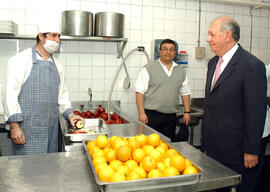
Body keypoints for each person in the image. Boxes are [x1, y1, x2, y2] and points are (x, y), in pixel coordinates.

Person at [202, 16, 267, 192]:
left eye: (211, 34)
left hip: (237, 151)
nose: (208, 39)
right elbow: (210, 104)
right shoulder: (213, 62)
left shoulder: (251, 65)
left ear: (228, 35)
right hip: (213, 148)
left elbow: (256, 112)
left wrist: (252, 150)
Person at [2, 22, 84, 155]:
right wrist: (14, 126)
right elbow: (9, 94)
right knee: (27, 171)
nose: (57, 40)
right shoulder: (20, 60)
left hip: (51, 130)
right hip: (27, 132)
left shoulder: (58, 65)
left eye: (59, 37)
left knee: (49, 170)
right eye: (53, 36)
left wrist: (71, 114)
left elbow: (62, 96)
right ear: (41, 36)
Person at [135, 39, 191, 141]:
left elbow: (185, 92)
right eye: (165, 49)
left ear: (175, 53)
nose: (168, 52)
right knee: (149, 146)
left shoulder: (181, 71)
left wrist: (187, 112)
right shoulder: (148, 68)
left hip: (171, 117)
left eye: (171, 50)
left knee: (167, 146)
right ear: (160, 52)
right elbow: (139, 91)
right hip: (151, 116)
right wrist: (141, 113)